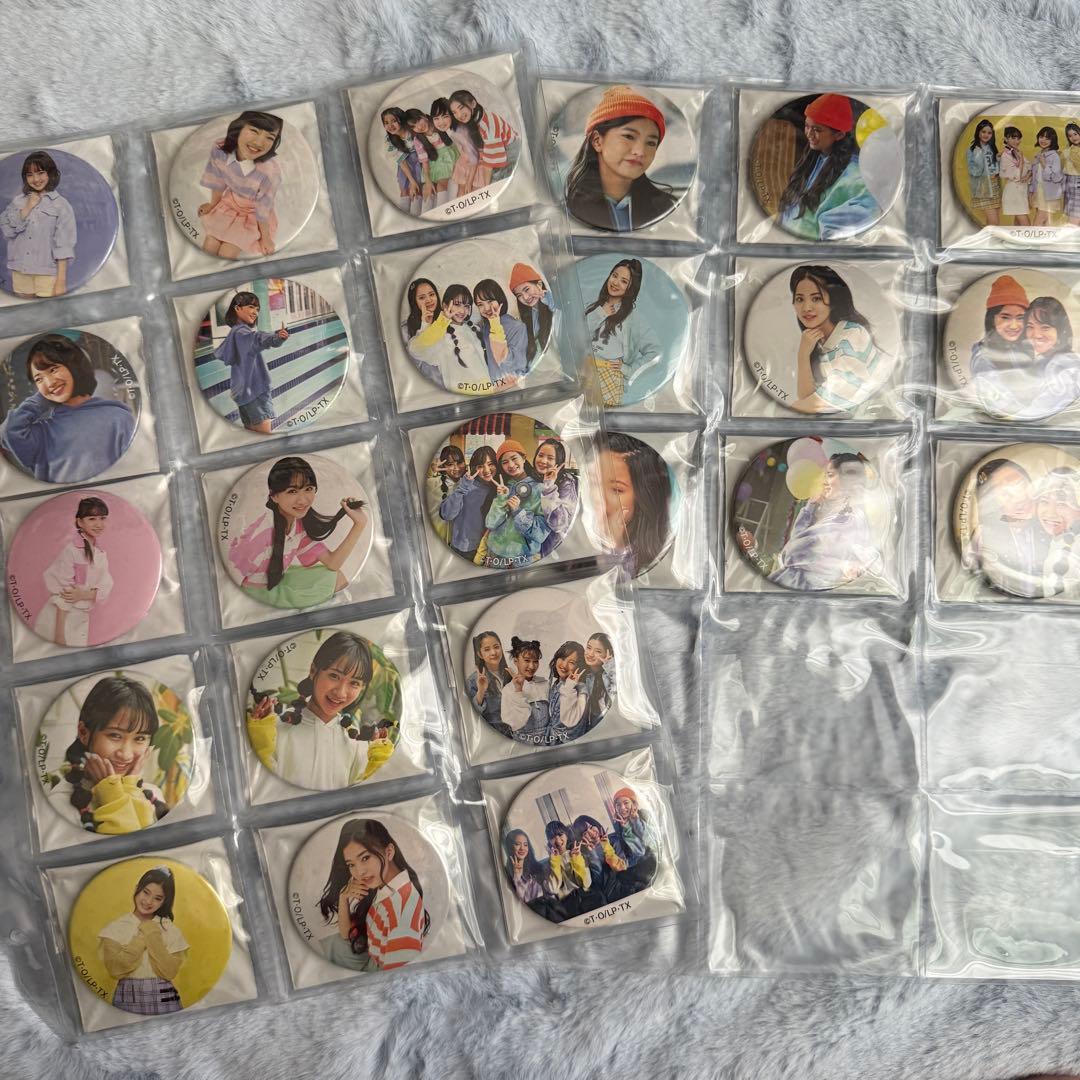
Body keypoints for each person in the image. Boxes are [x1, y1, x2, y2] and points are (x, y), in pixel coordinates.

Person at [246, 631, 393, 790]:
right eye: (334, 676)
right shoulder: (273, 730)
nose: (341, 693)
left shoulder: (357, 745)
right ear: (313, 670)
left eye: (354, 683)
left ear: (362, 688)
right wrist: (259, 735)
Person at [228, 456, 369, 609]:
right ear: (274, 496)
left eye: (308, 489)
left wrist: (359, 524)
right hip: (256, 594)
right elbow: (233, 573)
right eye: (292, 491)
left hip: (278, 581)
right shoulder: (262, 530)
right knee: (333, 582)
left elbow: (333, 563)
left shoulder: (298, 526)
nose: (302, 500)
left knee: (336, 576)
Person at [0, 333, 136, 483]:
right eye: (39, 379)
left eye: (53, 370)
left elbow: (133, 466)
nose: (49, 382)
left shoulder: (118, 418)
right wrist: (42, 398)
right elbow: (8, 432)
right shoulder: (42, 433)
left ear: (74, 366)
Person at [44, 675, 167, 834]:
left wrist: (128, 788)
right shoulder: (61, 803)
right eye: (115, 735)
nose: (125, 754)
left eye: (140, 738)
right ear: (84, 733)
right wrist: (112, 794)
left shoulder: (154, 794)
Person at [317, 818, 429, 972]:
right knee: (328, 945)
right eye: (351, 864)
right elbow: (346, 935)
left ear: (389, 852)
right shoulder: (383, 887)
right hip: (370, 956)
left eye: (365, 858)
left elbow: (398, 977)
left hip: (377, 971)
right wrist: (343, 898)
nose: (359, 872)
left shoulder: (402, 914)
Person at [564, 85, 677, 232]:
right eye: (629, 136)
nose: (640, 151)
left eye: (651, 143)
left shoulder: (665, 208)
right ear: (597, 141)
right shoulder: (567, 211)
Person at [767, 453, 879, 591]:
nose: (824, 481)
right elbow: (795, 543)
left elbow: (794, 552)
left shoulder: (848, 519)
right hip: (793, 584)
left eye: (830, 475)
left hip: (802, 588)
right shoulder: (834, 513)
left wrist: (840, 565)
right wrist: (810, 507)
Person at [777, 94, 881, 239]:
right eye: (807, 126)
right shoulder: (814, 158)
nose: (809, 134)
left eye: (817, 129)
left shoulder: (856, 173)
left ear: (839, 135)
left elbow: (870, 208)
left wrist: (827, 231)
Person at [786, 265, 885, 413]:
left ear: (833, 301)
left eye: (816, 298)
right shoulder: (819, 344)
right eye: (800, 299)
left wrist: (788, 410)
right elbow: (806, 397)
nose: (806, 307)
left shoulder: (852, 334)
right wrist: (803, 355)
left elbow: (831, 400)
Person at [975, 293, 1080, 421]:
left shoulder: (1067, 365)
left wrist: (1008, 420)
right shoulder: (1042, 360)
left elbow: (1041, 409)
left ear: (1061, 330)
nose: (1036, 334)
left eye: (1045, 327)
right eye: (1030, 327)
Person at [98, 867, 187, 1015]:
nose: (148, 901)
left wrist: (152, 934)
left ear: (164, 902)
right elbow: (115, 970)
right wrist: (140, 937)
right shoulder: (116, 927)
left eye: (158, 898)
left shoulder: (169, 928)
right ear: (137, 889)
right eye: (146, 892)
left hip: (165, 997)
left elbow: (170, 972)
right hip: (128, 996)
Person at [198, 110, 284, 258]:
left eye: (269, 137)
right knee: (210, 244)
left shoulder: (269, 172)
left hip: (252, 214)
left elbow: (263, 207)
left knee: (227, 252)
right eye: (254, 131)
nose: (259, 143)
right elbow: (217, 179)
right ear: (238, 128)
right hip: (229, 204)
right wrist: (213, 204)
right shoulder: (221, 149)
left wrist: (266, 238)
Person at [34, 495, 113, 647]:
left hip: (80, 619)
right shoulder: (71, 551)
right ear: (79, 522)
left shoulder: (101, 554)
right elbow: (64, 593)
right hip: (59, 621)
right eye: (92, 519)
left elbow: (105, 587)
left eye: (102, 518)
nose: (99, 524)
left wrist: (83, 594)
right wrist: (59, 635)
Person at [585, 258, 663, 406]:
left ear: (630, 288)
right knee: (574, 414)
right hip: (583, 369)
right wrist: (600, 313)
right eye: (614, 276)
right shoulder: (592, 307)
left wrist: (628, 370)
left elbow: (655, 352)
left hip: (608, 376)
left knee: (601, 418)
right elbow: (576, 336)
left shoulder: (634, 319)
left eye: (624, 281)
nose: (616, 282)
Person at [0, 151, 76, 298]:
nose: (35, 179)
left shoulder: (61, 205)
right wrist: (28, 207)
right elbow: (8, 231)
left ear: (50, 173)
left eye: (40, 173)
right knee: (24, 309)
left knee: (48, 310)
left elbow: (64, 245)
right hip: (20, 270)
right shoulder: (18, 202)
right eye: (30, 175)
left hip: (47, 273)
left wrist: (61, 281)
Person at [595, 431, 673, 576]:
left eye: (617, 490)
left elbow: (612, 581)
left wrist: (616, 546)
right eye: (595, 484)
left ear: (643, 496)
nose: (600, 498)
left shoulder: (645, 558)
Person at [968, 458, 1048, 597]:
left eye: (1022, 486)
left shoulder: (1051, 527)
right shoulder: (984, 537)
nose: (1020, 499)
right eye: (1006, 494)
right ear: (993, 503)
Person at [213, 291, 289, 434]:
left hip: (242, 394)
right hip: (255, 392)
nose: (255, 312)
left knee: (252, 434)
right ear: (237, 308)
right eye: (251, 307)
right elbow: (257, 338)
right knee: (264, 437)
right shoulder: (242, 333)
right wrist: (276, 337)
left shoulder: (234, 333)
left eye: (257, 309)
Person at [408, 284, 491, 393]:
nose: (462, 311)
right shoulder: (441, 337)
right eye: (457, 304)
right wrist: (429, 324)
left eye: (466, 306)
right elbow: (415, 349)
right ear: (445, 305)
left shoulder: (474, 328)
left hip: (489, 392)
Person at [483, 439, 550, 568]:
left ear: (524, 458)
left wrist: (518, 512)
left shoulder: (540, 489)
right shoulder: (503, 487)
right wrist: (501, 499)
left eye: (514, 458)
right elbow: (490, 524)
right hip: (495, 554)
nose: (511, 465)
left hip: (523, 558)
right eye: (505, 462)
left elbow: (541, 533)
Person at [438, 445, 498, 562]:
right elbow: (447, 514)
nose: (487, 470)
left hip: (490, 549)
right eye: (480, 466)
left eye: (490, 464)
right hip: (466, 550)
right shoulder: (466, 485)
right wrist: (462, 488)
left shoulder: (499, 487)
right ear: (474, 468)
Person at [448, 90, 518, 189]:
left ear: (473, 103)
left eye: (461, 108)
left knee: (494, 184)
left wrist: (486, 189)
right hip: (498, 151)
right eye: (454, 112)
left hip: (511, 153)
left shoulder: (488, 124)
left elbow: (489, 165)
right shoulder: (477, 118)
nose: (459, 115)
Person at [472, 278, 529, 388]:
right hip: (493, 388)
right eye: (480, 304)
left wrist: (495, 325)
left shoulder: (517, 327)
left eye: (489, 301)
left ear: (499, 299)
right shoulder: (486, 327)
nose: (486, 308)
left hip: (513, 387)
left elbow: (515, 364)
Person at [1033, 468, 1080, 598]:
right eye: (1044, 501)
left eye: (1062, 504)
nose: (1050, 513)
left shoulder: (1069, 554)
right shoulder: (1060, 540)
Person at [499, 637, 551, 743]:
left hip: (546, 739)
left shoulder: (544, 684)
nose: (531, 666)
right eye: (527, 660)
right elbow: (516, 723)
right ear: (516, 661)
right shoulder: (508, 690)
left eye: (535, 661)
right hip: (523, 741)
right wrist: (518, 690)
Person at [404, 110, 459, 210]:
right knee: (426, 188)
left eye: (418, 121)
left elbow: (456, 143)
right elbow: (425, 163)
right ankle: (430, 214)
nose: (419, 127)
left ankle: (442, 211)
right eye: (413, 126)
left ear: (424, 115)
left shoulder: (439, 125)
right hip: (434, 163)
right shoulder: (418, 140)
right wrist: (428, 181)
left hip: (449, 158)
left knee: (441, 185)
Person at [533, 438, 578, 559]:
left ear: (559, 462)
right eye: (540, 455)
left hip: (552, 551)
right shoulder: (534, 478)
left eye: (550, 458)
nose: (543, 461)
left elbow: (560, 524)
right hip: (532, 549)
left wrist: (549, 486)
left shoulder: (566, 483)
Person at [465, 630, 513, 738]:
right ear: (480, 654)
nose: (493, 652)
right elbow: (471, 716)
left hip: (516, 735)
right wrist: (481, 691)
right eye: (487, 649)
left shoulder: (511, 674)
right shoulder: (474, 680)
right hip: (494, 736)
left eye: (496, 647)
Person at [430, 97, 478, 199]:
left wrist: (469, 182)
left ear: (452, 115)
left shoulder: (459, 132)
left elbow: (474, 157)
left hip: (474, 165)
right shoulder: (450, 131)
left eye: (445, 116)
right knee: (459, 195)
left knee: (465, 195)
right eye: (436, 118)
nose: (441, 122)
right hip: (465, 163)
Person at [509, 262, 555, 363]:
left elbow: (558, 312)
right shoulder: (527, 317)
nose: (525, 297)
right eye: (519, 295)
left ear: (539, 284)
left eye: (527, 289)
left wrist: (548, 299)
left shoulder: (552, 302)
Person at [382, 108, 423, 216]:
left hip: (420, 161)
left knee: (417, 190)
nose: (390, 125)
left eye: (393, 121)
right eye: (386, 123)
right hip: (405, 166)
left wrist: (414, 183)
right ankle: (404, 217)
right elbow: (401, 162)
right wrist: (412, 181)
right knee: (405, 191)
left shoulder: (411, 130)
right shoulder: (389, 140)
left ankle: (415, 216)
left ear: (401, 119)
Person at [546, 641, 589, 741]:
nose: (564, 665)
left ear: (579, 667)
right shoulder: (556, 684)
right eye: (562, 658)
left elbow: (573, 727)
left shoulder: (581, 690)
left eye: (572, 662)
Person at [543, 820, 591, 908]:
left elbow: (586, 883)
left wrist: (576, 859)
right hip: (567, 905)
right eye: (553, 837)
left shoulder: (577, 854)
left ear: (566, 835)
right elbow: (553, 889)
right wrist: (555, 862)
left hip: (586, 899)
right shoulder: (549, 864)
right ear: (549, 841)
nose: (558, 840)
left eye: (560, 834)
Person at [426, 444, 466, 545]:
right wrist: (431, 470)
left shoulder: (468, 485)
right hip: (435, 540)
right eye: (450, 464)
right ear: (443, 466)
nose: (456, 468)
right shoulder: (431, 484)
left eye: (459, 463)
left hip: (459, 545)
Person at [966, 118, 1002, 225]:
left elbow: (996, 168)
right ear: (978, 132)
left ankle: (989, 236)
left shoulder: (991, 147)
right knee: (994, 222)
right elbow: (974, 171)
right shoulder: (973, 149)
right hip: (984, 187)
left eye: (989, 133)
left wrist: (998, 159)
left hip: (995, 186)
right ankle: (992, 236)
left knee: (993, 220)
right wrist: (979, 157)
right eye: (983, 132)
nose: (986, 135)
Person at [1029, 126, 1064, 226]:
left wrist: (1044, 164)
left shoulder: (1054, 156)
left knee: (1039, 220)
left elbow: (1057, 178)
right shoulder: (1038, 155)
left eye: (1047, 138)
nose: (1043, 140)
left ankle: (1034, 236)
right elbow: (1034, 177)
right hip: (1038, 191)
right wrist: (1031, 192)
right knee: (1046, 222)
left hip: (1049, 193)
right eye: (1041, 137)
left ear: (1052, 140)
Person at [582, 632, 616, 732]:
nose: (590, 654)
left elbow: (617, 696)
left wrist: (610, 666)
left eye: (598, 651)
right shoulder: (583, 675)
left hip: (609, 729)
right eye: (589, 648)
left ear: (608, 654)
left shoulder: (610, 675)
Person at [503, 829, 547, 904]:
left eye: (525, 844)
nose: (522, 848)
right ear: (510, 847)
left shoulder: (537, 867)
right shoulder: (506, 874)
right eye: (517, 844)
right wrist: (517, 877)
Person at [998, 126, 1031, 225]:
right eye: (1013, 138)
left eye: (1018, 138)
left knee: (1018, 222)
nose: (1016, 141)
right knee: (1025, 223)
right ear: (1005, 139)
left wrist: (1028, 176)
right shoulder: (1005, 155)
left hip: (1021, 189)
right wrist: (1021, 160)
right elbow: (1016, 176)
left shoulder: (1016, 152)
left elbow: (1029, 168)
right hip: (1014, 191)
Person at [1065, 123, 1080, 226]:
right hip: (1070, 185)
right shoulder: (1070, 150)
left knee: (1073, 220)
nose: (1073, 138)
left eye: (1075, 134)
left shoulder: (1073, 151)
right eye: (1070, 136)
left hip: (1077, 183)